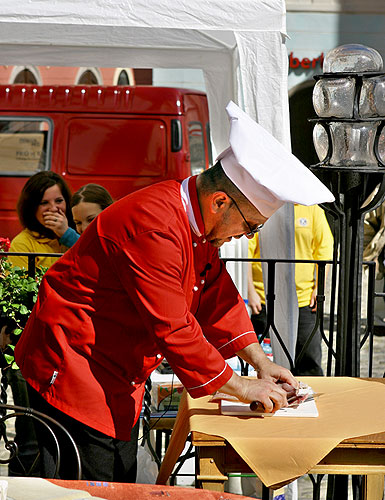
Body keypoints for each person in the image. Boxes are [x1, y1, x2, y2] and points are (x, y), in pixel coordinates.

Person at [14, 102, 334, 482]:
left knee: (117, 479)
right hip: (73, 365)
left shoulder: (191, 219)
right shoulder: (156, 226)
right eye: (249, 226)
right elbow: (176, 329)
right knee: (88, 486)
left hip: (113, 367)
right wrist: (241, 385)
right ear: (219, 202)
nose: (244, 236)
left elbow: (217, 294)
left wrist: (260, 362)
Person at [248, 204, 333, 375]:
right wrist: (250, 291)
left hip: (304, 302)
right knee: (264, 365)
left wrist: (319, 288)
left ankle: (307, 399)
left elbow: (324, 251)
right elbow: (247, 252)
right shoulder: (263, 205)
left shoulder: (313, 208)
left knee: (310, 365)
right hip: (265, 301)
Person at [9, 171, 79, 269]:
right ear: (31, 208)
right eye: (44, 203)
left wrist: (67, 235)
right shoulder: (21, 244)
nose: (54, 208)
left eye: (59, 201)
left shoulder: (78, 229)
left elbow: (97, 258)